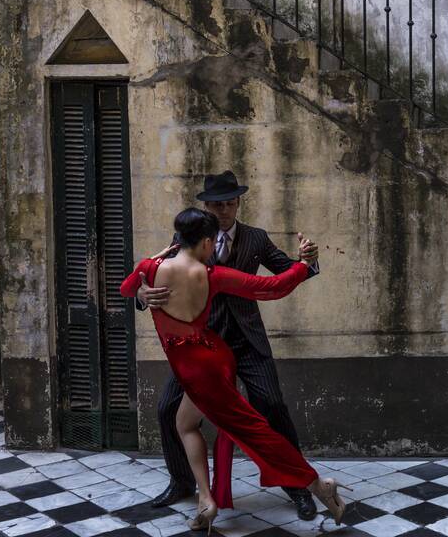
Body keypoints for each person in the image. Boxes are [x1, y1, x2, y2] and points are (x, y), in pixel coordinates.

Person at [120, 208, 348, 531]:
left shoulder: (150, 268)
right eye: (210, 244)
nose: (213, 249)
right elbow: (274, 286)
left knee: (255, 431)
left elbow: (126, 288)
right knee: (184, 422)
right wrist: (302, 264)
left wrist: (143, 283)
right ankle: (206, 499)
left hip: (202, 371)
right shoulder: (211, 276)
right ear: (205, 242)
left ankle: (317, 485)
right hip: (208, 364)